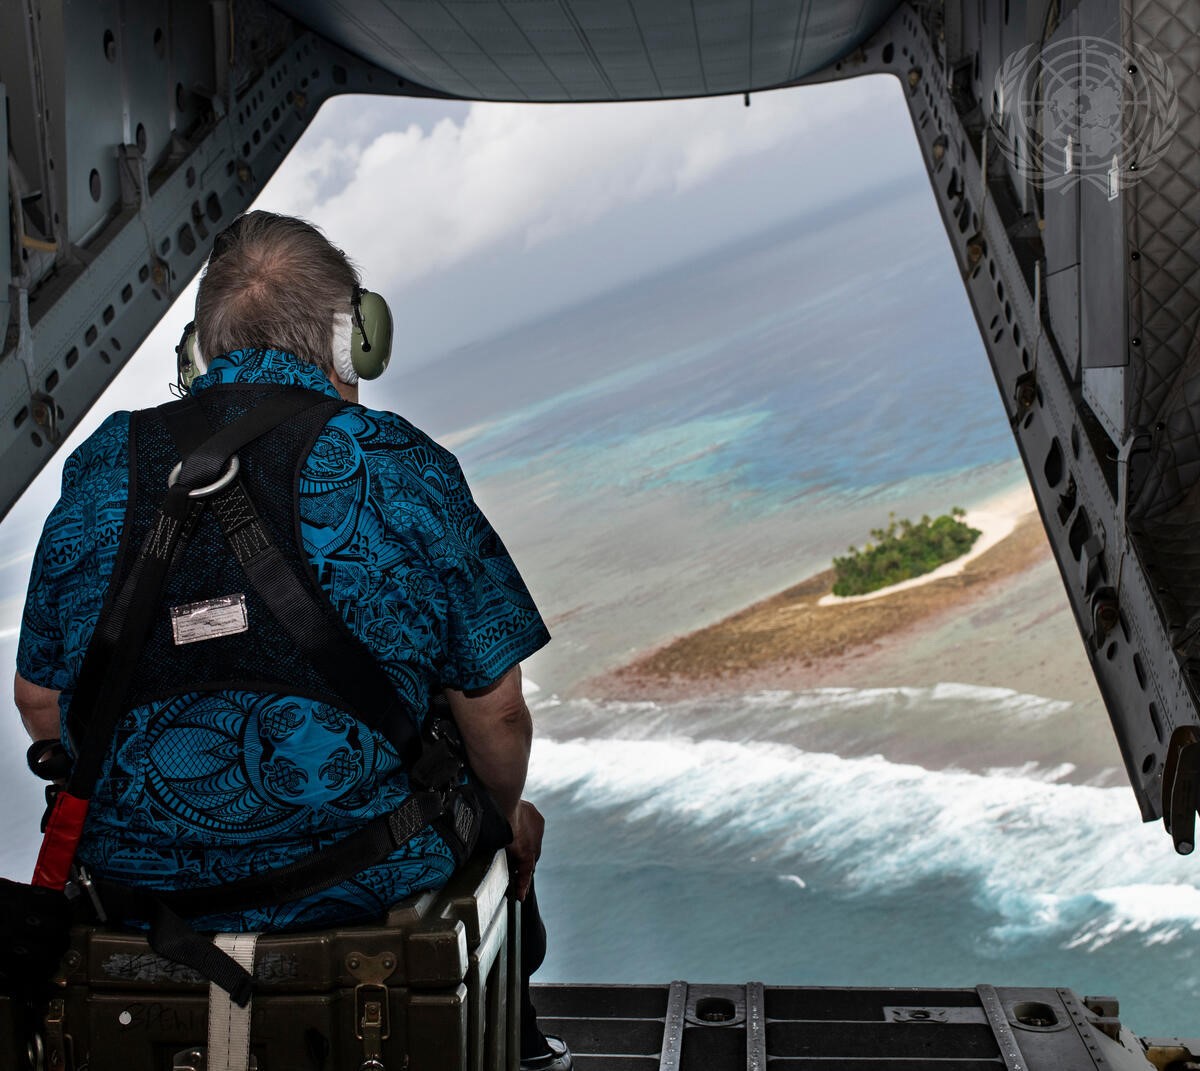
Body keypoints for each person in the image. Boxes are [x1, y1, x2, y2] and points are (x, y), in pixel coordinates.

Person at [13, 211, 571, 1071]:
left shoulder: (99, 471)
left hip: (136, 897)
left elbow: (41, 702)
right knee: (498, 820)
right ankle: (527, 1054)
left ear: (197, 356)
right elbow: (496, 708)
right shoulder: (396, 463)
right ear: (355, 343)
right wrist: (504, 819)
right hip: (372, 874)